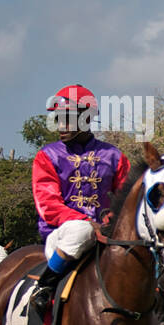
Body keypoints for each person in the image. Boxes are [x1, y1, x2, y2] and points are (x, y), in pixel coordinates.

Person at [30, 84, 130, 310]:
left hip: (105, 233)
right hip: (62, 234)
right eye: (58, 118)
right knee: (81, 230)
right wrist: (88, 223)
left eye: (67, 118)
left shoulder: (114, 156)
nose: (60, 126)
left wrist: (108, 222)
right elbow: (48, 206)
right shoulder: (47, 156)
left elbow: (125, 200)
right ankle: (45, 284)